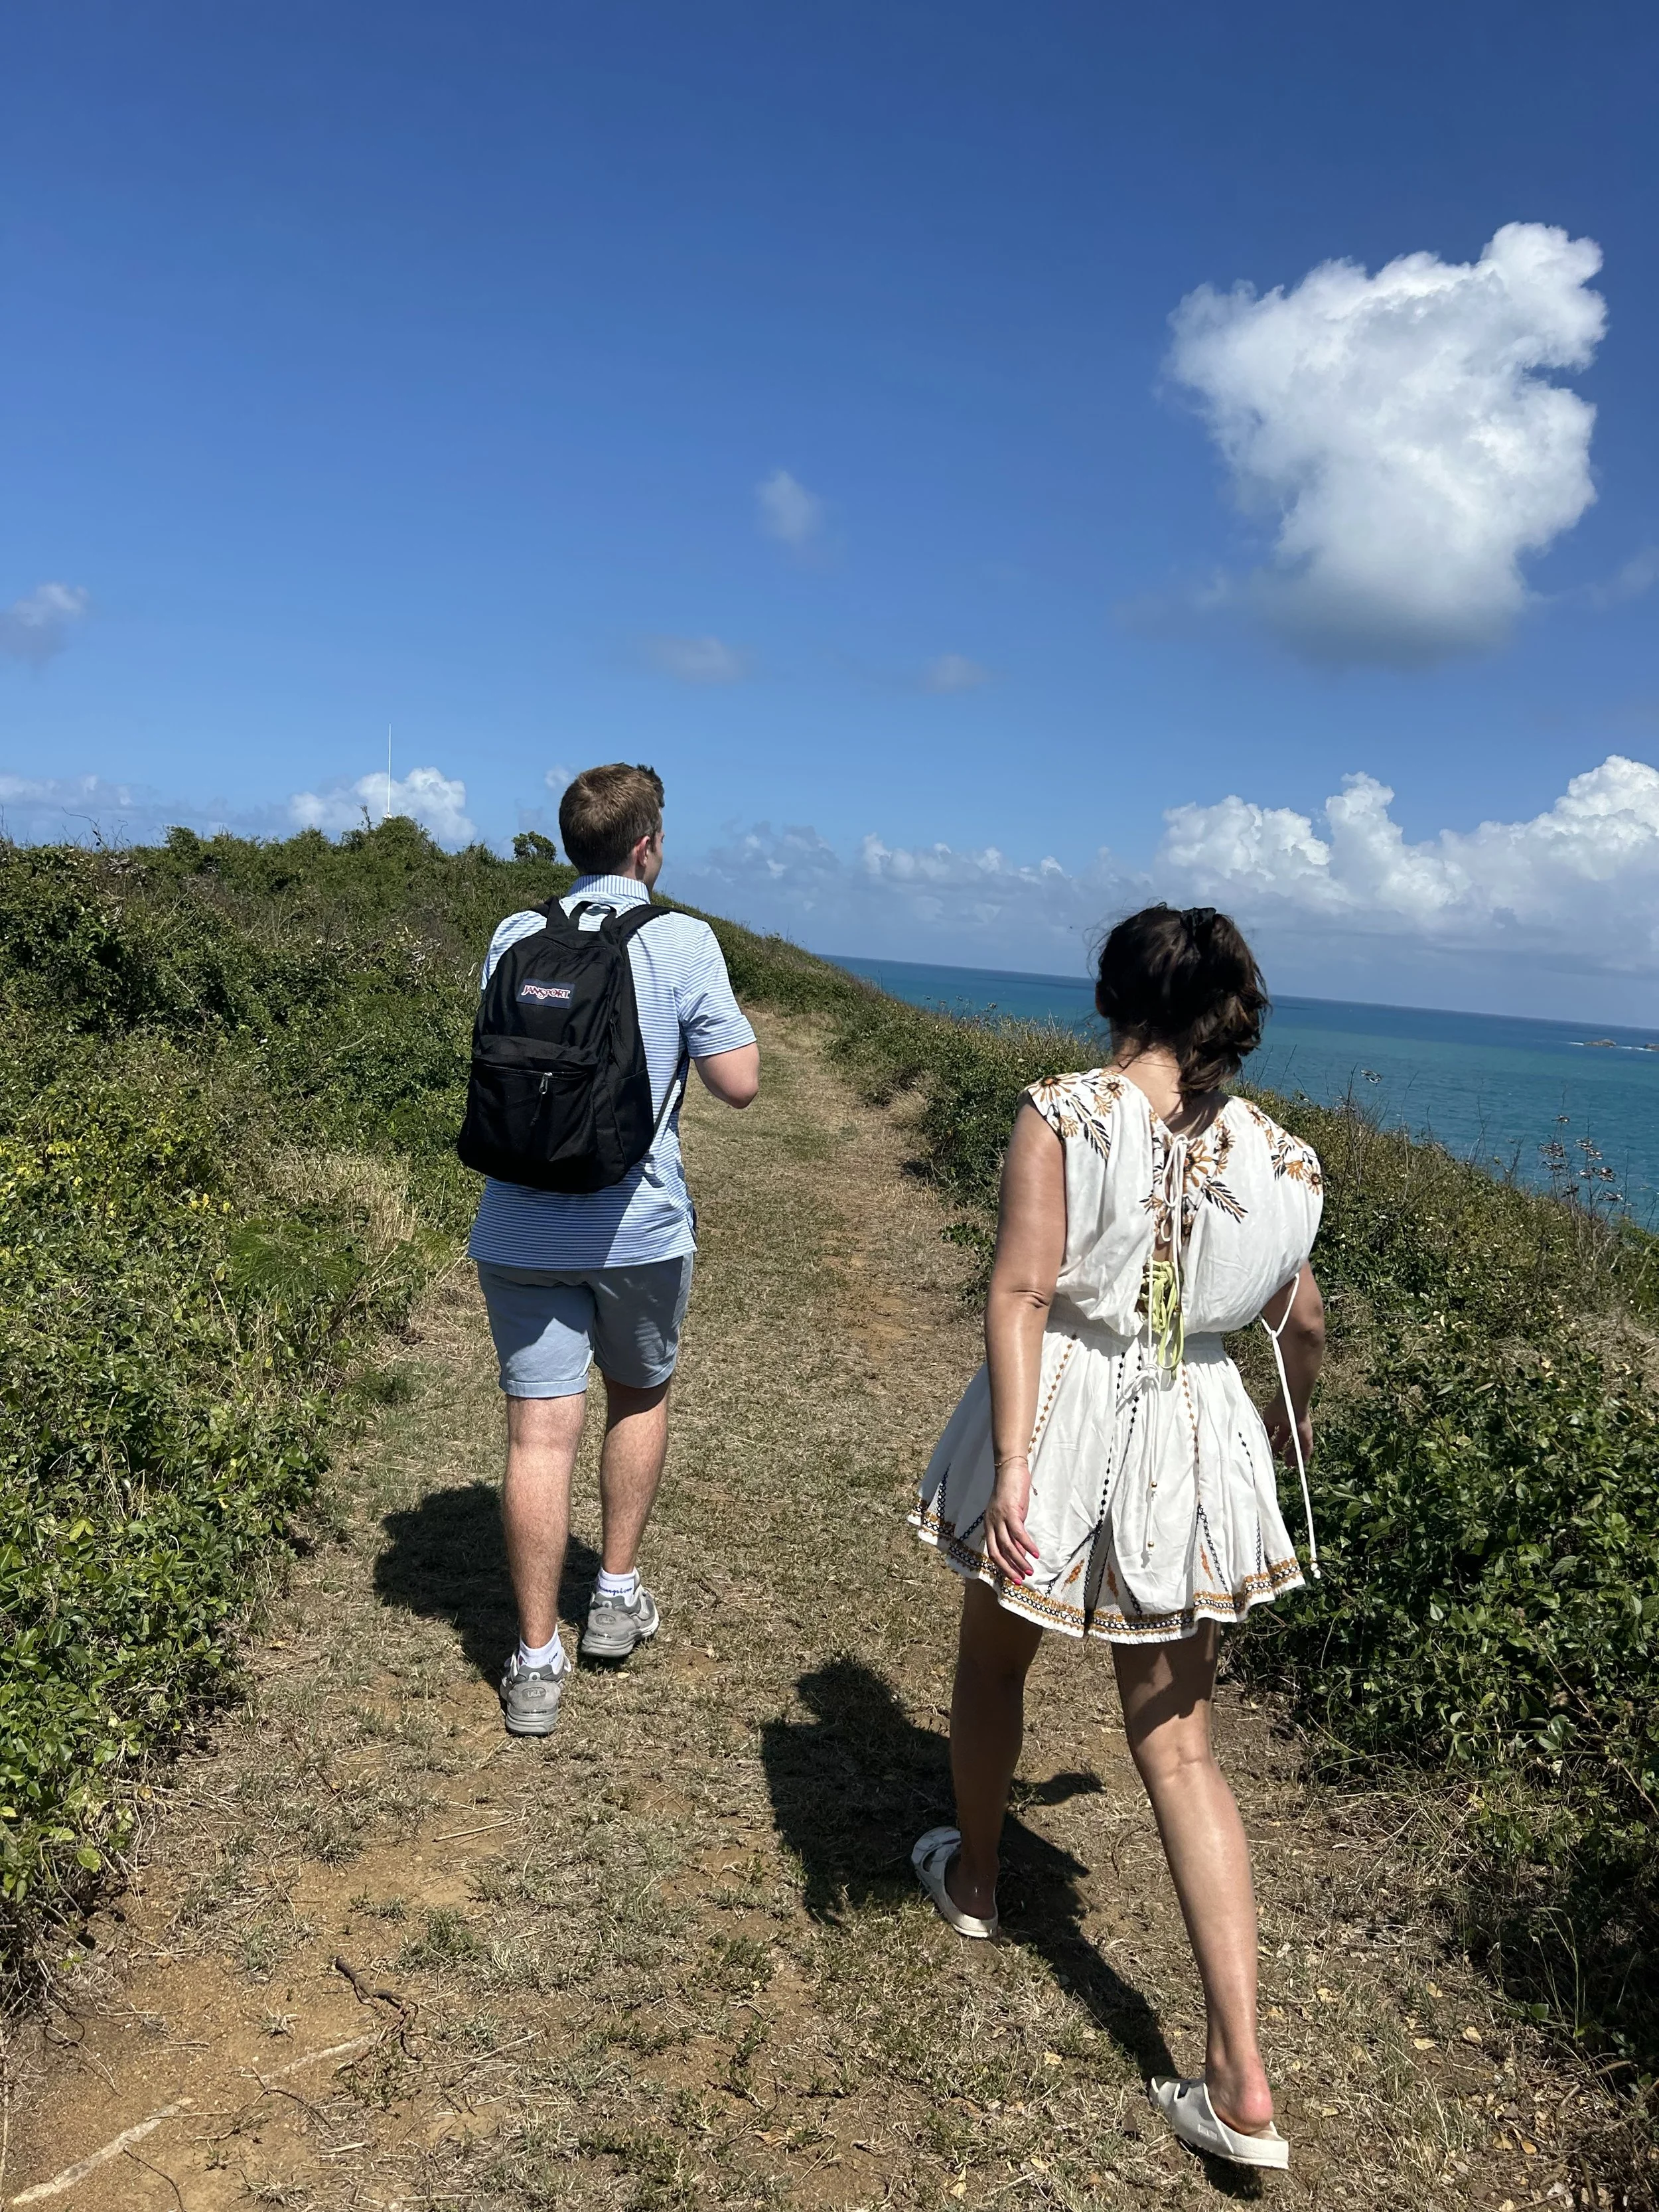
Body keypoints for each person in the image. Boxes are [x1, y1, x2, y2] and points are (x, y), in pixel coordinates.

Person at [910, 905, 1325, 2172]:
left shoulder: (1064, 1113)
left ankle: (977, 1880)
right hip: (1198, 1426)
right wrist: (1271, 1434)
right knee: (1183, 1748)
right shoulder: (1289, 1160)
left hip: (1073, 1407)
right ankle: (1240, 2071)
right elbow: (1299, 1325)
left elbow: (1024, 1290)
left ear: (1113, 995)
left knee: (995, 1663)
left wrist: (1021, 1471)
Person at [468, 763, 759, 1738]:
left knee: (537, 1433)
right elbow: (739, 1084)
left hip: (516, 1220)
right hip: (636, 1226)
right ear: (647, 845)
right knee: (639, 1395)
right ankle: (615, 1600)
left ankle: (536, 1663)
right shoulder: (682, 940)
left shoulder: (516, 934)